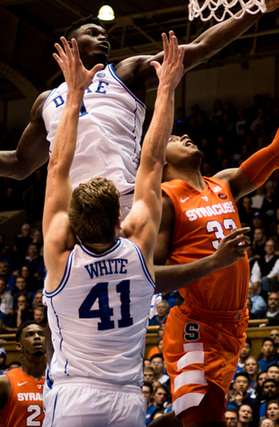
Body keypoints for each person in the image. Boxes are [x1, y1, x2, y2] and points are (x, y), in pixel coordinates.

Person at [0, 0, 279, 219]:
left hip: (125, 198)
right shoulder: (45, 101)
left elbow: (199, 48)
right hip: (75, 208)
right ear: (69, 43)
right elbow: (20, 164)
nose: (101, 34)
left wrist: (256, 9)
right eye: (91, 31)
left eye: (102, 32)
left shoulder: (128, 72)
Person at [153, 46, 279, 427]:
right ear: (160, 160)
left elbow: (277, 153)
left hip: (234, 324)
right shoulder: (163, 200)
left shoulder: (222, 183)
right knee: (205, 420)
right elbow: (151, 276)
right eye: (175, 137)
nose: (186, 134)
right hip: (195, 327)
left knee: (191, 419)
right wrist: (215, 261)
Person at [38, 33, 184, 426]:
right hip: (126, 400)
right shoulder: (137, 246)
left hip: (74, 396)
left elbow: (57, 167)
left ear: (73, 224)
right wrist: (167, 87)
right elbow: (152, 162)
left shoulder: (61, 257)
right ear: (120, 220)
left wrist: (74, 96)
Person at [0, 321, 46, 427]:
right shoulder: (2, 382)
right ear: (19, 346)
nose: (37, 337)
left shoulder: (57, 380)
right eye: (29, 335)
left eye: (41, 334)